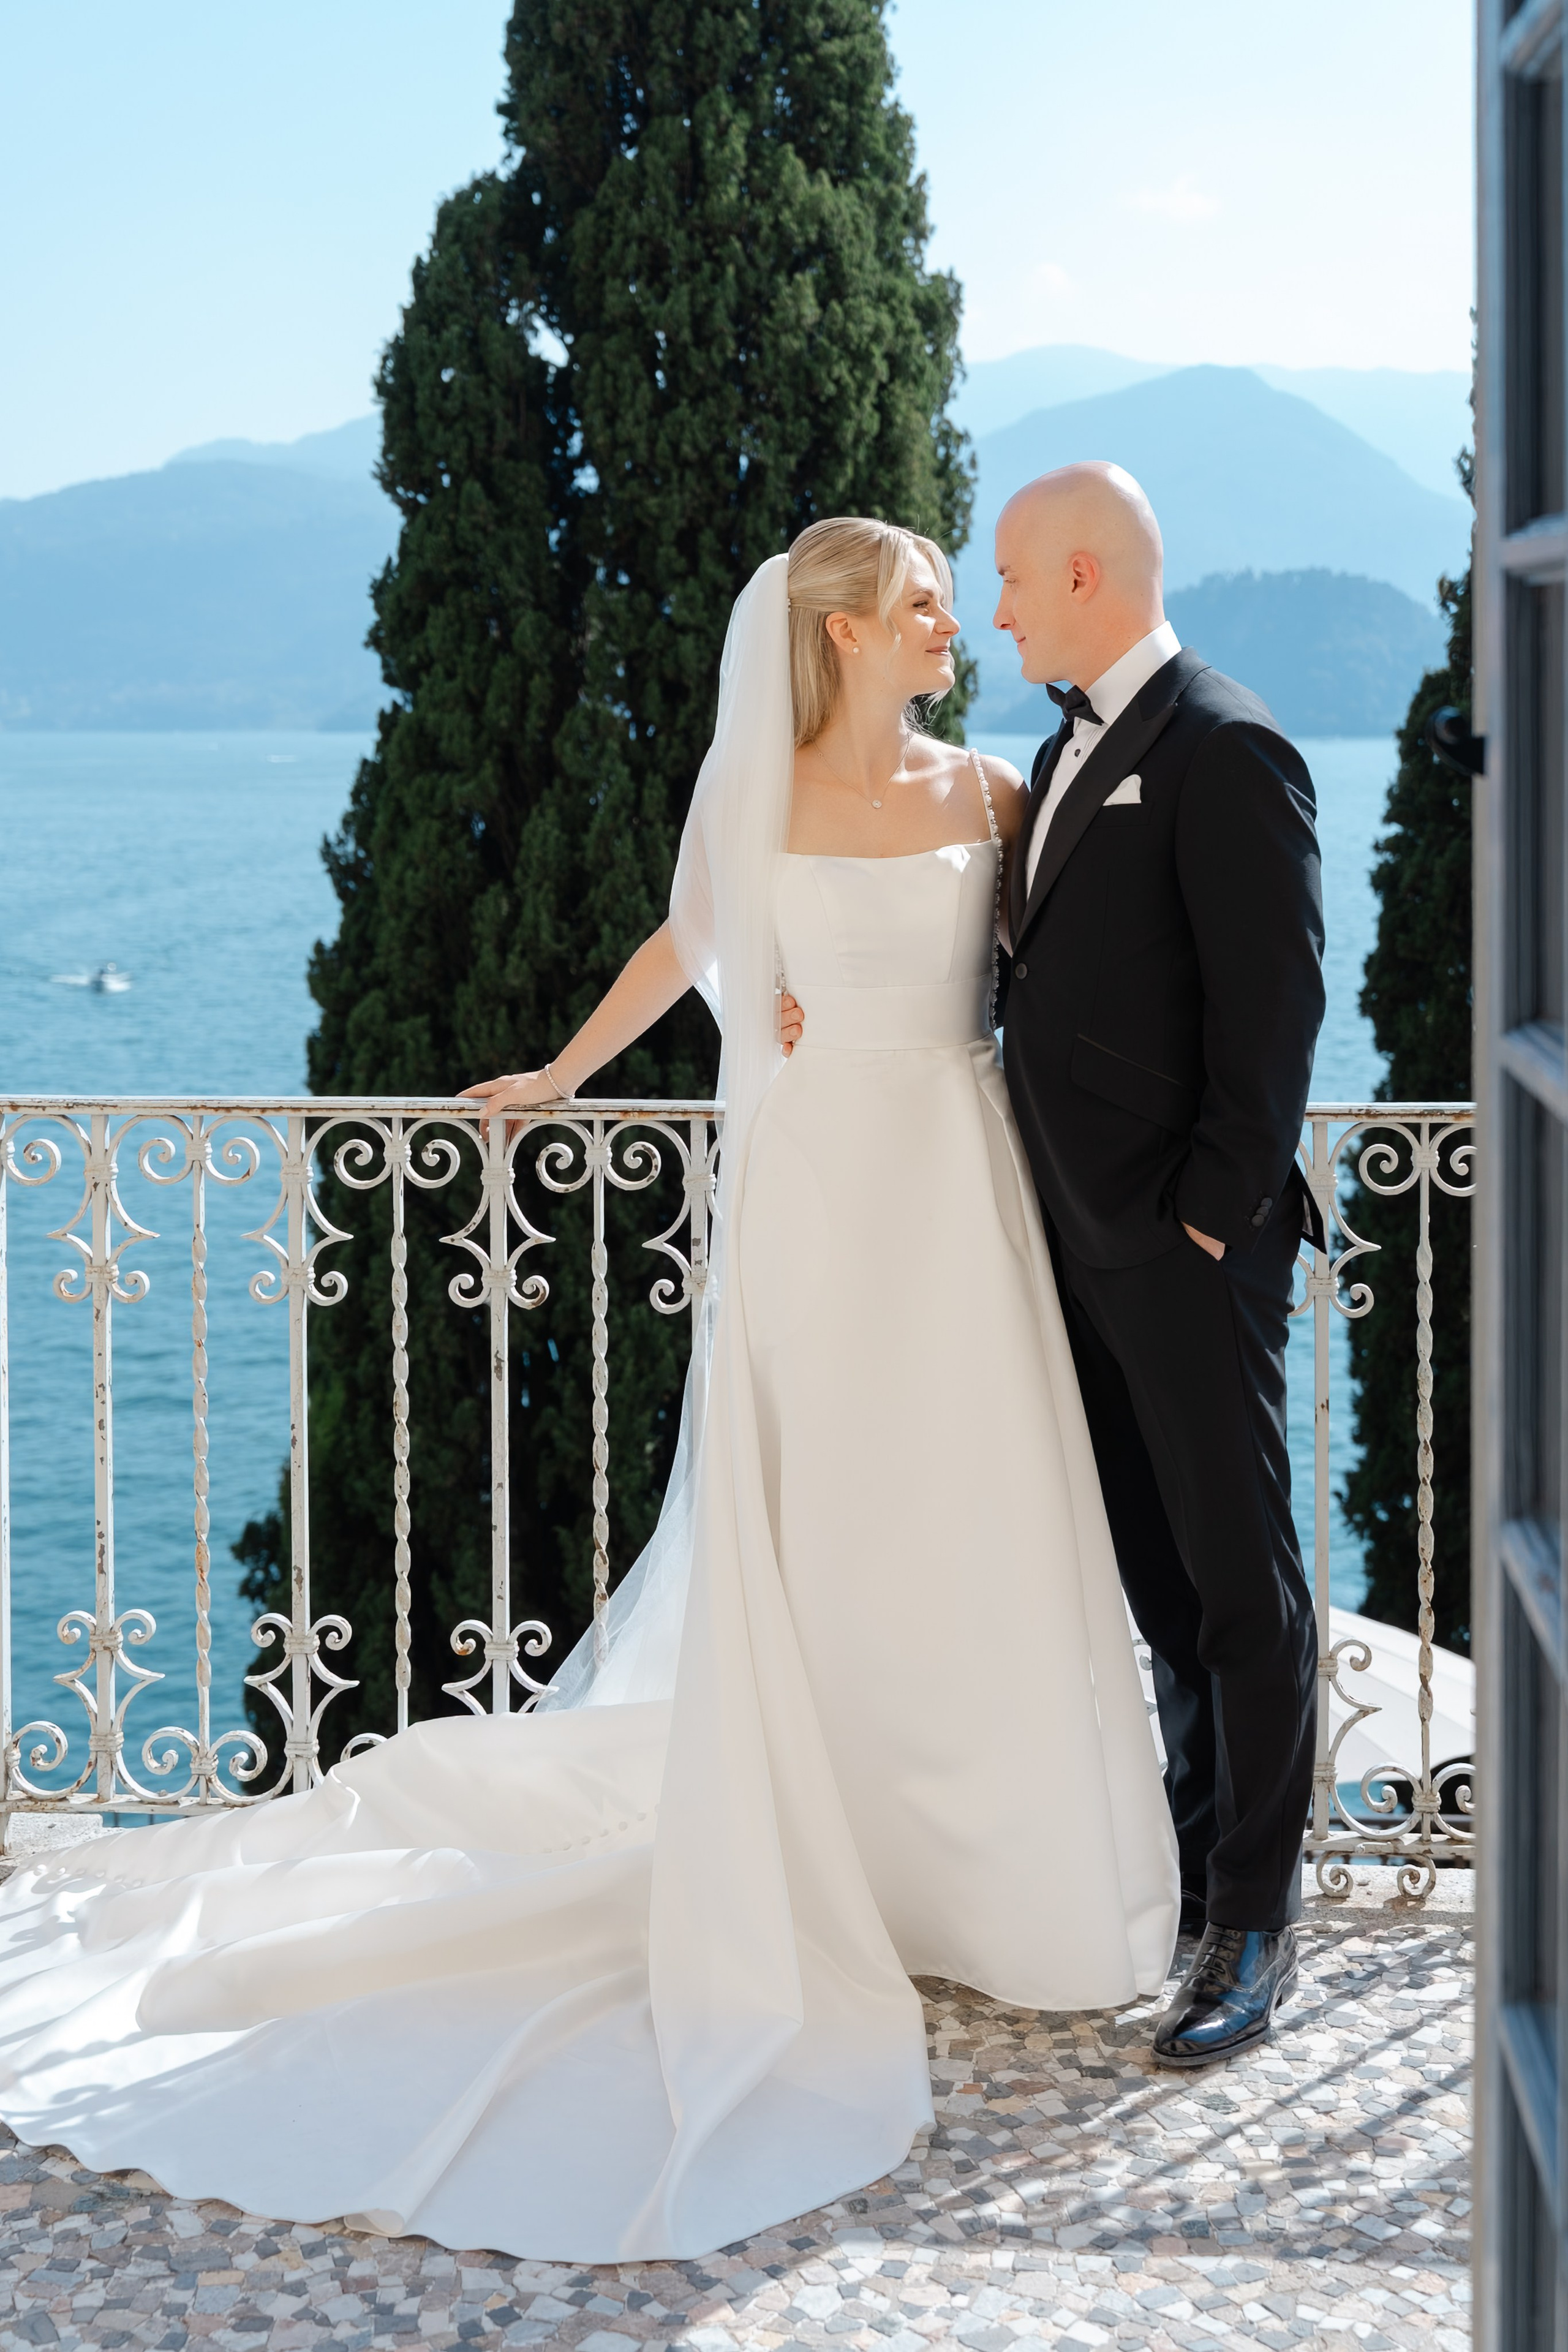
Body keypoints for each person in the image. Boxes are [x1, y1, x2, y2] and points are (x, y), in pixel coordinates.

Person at [0, 520, 1178, 2264]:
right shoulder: (760, 793)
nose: (952, 621)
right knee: (826, 1534)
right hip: (818, 1207)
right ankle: (838, 1864)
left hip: (959, 1187)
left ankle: (995, 1880)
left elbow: (1072, 975)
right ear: (845, 632)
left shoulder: (999, 792)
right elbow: (686, 945)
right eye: (926, 598)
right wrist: (559, 1074)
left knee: (980, 1517)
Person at [993, 463, 1326, 2067]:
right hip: (1076, 1251)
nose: (994, 608)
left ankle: (1258, 1932)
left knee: (1243, 1591)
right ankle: (1200, 1889)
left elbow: (1274, 1024)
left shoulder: (1228, 744)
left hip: (1187, 1256)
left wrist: (1202, 1221)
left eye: (1008, 576)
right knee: (1163, 1590)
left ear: (1079, 573)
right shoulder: (1059, 755)